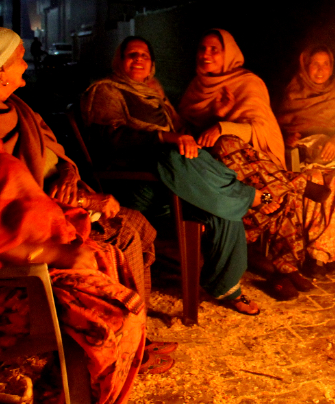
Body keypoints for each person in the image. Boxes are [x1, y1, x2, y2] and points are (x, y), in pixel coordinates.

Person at [0, 56, 145, 404]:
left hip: (37, 252)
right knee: (115, 314)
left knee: (113, 255)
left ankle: (63, 386)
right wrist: (56, 252)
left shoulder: (10, 117)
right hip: (3, 285)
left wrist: (74, 195)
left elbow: (37, 185)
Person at [81, 35, 278, 313]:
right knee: (175, 156)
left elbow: (186, 136)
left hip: (169, 184)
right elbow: (109, 138)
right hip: (133, 183)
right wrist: (163, 138)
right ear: (119, 61)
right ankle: (248, 195)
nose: (138, 59)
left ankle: (227, 286)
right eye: (131, 55)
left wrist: (217, 115)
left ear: (151, 66)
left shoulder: (156, 97)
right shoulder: (106, 91)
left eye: (144, 56)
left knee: (220, 207)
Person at [179, 29, 324, 300]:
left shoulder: (248, 83)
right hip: (230, 181)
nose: (206, 54)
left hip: (257, 166)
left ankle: (285, 267)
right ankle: (295, 184)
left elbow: (260, 129)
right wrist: (218, 117)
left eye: (214, 49)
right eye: (202, 48)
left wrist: (223, 125)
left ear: (229, 54)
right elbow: (189, 134)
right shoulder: (194, 89)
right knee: (235, 158)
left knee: (230, 144)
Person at [277, 45, 335, 276]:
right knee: (312, 183)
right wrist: (288, 138)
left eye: (325, 64)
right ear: (305, 66)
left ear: (332, 67)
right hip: (302, 162)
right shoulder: (292, 94)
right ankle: (313, 254)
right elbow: (277, 127)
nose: (320, 70)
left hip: (333, 159)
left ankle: (323, 252)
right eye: (315, 64)